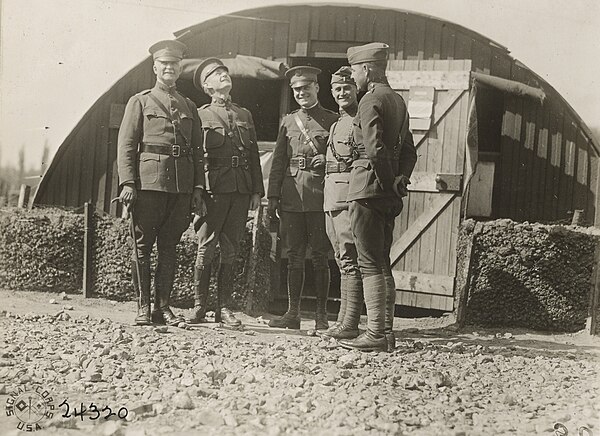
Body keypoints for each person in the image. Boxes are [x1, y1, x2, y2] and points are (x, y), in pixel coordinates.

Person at [117, 40, 206, 326]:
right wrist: (128, 183)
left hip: (180, 188)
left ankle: (162, 308)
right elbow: (127, 145)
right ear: (155, 67)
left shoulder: (189, 105)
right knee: (142, 247)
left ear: (180, 68)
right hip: (148, 185)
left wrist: (197, 188)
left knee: (169, 247)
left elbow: (197, 150)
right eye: (164, 64)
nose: (170, 68)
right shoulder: (140, 101)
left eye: (175, 64)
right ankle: (143, 307)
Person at [338, 43, 417, 352]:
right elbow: (409, 150)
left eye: (355, 70)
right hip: (385, 192)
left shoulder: (370, 100)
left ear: (367, 70)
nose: (354, 76)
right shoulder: (397, 101)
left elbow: (373, 149)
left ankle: (375, 334)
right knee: (382, 263)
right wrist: (399, 181)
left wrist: (386, 182)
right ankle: (385, 332)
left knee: (369, 263)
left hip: (367, 189)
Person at [188, 58, 264, 328]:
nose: (222, 75)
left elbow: (253, 154)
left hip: (241, 190)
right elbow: (195, 156)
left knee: (231, 250)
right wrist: (196, 190)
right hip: (213, 190)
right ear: (207, 86)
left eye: (224, 72)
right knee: (206, 248)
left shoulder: (244, 115)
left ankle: (224, 309)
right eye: (215, 74)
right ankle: (199, 308)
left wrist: (257, 190)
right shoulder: (200, 114)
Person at [267, 66, 338, 330]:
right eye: (297, 90)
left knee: (320, 256)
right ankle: (292, 313)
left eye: (306, 88)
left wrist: (327, 159)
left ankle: (321, 316)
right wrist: (273, 195)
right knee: (294, 256)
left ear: (317, 88)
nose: (301, 93)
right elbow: (278, 161)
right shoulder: (288, 121)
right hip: (292, 196)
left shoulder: (332, 121)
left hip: (320, 195)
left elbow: (342, 154)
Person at [320, 66, 362, 340]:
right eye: (337, 89)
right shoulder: (337, 123)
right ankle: (342, 322)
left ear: (356, 89)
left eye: (347, 88)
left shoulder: (360, 120)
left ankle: (350, 323)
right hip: (331, 197)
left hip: (348, 198)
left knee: (350, 259)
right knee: (341, 258)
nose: (343, 93)